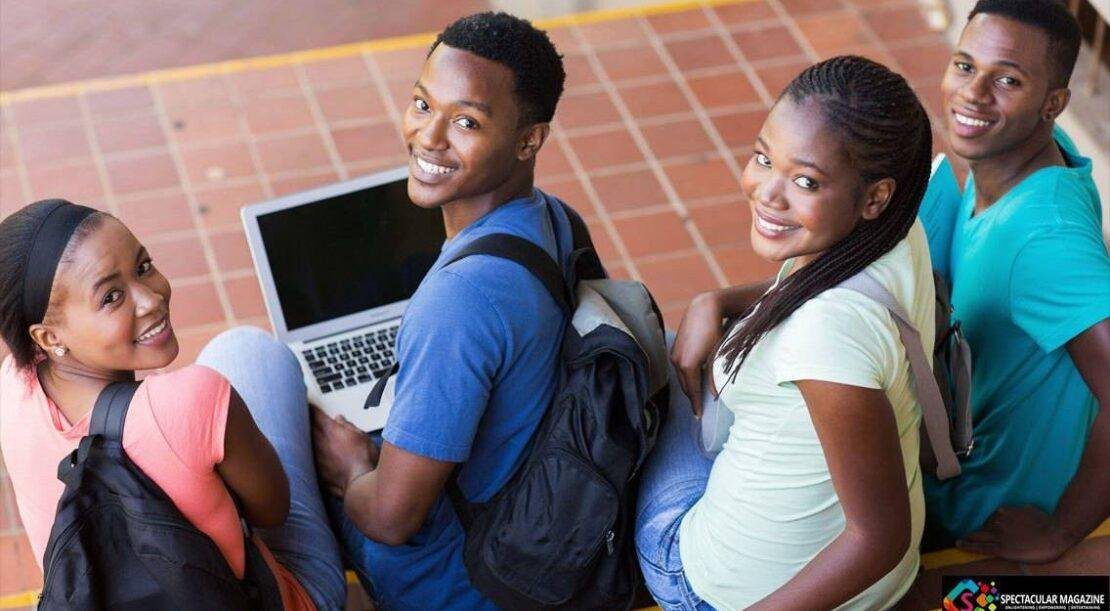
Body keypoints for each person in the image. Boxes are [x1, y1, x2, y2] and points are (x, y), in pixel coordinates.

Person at [640, 56, 935, 610]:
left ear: (874, 198)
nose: (767, 194)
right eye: (762, 157)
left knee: (643, 358)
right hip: (879, 580)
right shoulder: (899, 228)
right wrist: (721, 299)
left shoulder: (823, 342)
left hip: (727, 589)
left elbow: (878, 538)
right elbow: (829, 290)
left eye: (805, 181)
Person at [309, 12, 577, 610]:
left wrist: (354, 468)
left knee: (284, 427)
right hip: (526, 509)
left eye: (467, 122)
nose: (429, 138)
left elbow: (390, 519)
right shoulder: (552, 217)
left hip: (457, 580)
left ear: (529, 140)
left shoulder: (459, 303)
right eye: (423, 104)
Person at [0, 200, 347, 610]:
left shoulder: (12, 386)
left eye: (143, 267)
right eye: (111, 296)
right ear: (48, 338)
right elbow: (273, 511)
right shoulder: (192, 399)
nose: (149, 299)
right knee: (248, 350)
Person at [919, 0, 1110, 561]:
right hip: (958, 469)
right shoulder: (1026, 160)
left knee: (947, 602)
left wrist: (1059, 535)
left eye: (1007, 80)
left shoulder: (1045, 239)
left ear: (1053, 104)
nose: (973, 94)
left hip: (991, 524)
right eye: (964, 66)